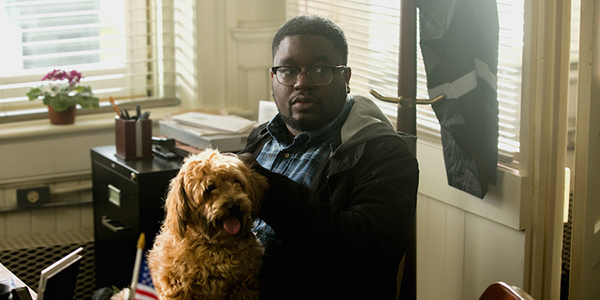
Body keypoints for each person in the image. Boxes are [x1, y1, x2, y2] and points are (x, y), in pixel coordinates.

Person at [239, 14, 419, 300]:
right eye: (288, 70)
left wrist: (264, 187)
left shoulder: (385, 154)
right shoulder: (261, 138)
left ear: (345, 77)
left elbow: (366, 250)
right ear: (273, 78)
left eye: (320, 69)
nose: (301, 83)